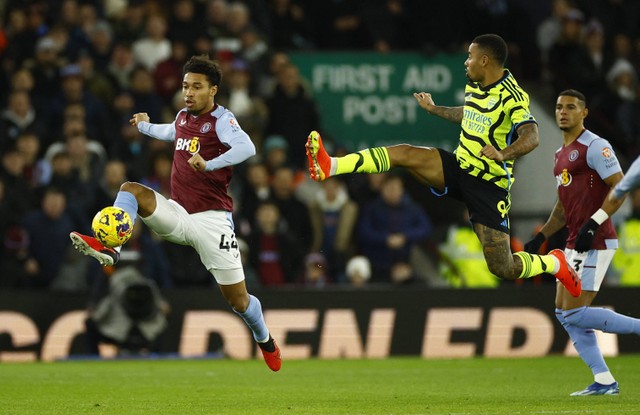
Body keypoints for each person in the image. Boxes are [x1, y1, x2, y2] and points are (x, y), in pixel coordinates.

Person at [305, 34, 580, 294]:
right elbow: (469, 113)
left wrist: (503, 153)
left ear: (485, 60)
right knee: (405, 153)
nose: (466, 61)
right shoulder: (475, 83)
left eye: (470, 56)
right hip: (459, 167)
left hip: (488, 186)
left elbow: (532, 136)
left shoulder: (513, 96)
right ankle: (332, 165)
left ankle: (555, 263)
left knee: (502, 266)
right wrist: (435, 109)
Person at [68, 55, 281, 371]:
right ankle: (112, 248)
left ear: (213, 90)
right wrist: (145, 125)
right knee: (131, 189)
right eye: (185, 86)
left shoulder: (222, 120)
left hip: (213, 222)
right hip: (178, 213)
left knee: (239, 301)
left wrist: (209, 164)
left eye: (197, 87)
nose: (189, 92)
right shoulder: (183, 116)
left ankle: (264, 340)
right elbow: (173, 132)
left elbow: (247, 148)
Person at [522, 89, 640, 396]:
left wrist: (594, 223)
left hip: (597, 240)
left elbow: (620, 187)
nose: (563, 111)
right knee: (563, 312)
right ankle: (604, 381)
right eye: (559, 106)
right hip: (574, 241)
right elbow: (563, 206)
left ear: (584, 112)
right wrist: (542, 236)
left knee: (574, 313)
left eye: (571, 107)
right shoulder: (559, 155)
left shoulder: (596, 146)